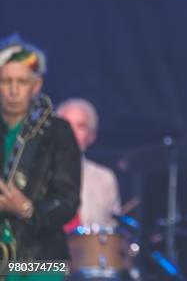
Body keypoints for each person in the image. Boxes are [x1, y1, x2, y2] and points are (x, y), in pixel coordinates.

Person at [0, 34, 81, 264]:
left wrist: (25, 208)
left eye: (22, 82)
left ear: (36, 85)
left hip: (40, 257)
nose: (13, 90)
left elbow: (68, 200)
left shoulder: (57, 132)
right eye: (6, 81)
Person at [57, 98, 121, 230]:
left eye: (80, 126)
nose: (72, 132)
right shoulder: (35, 171)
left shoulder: (105, 178)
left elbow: (112, 233)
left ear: (91, 136)